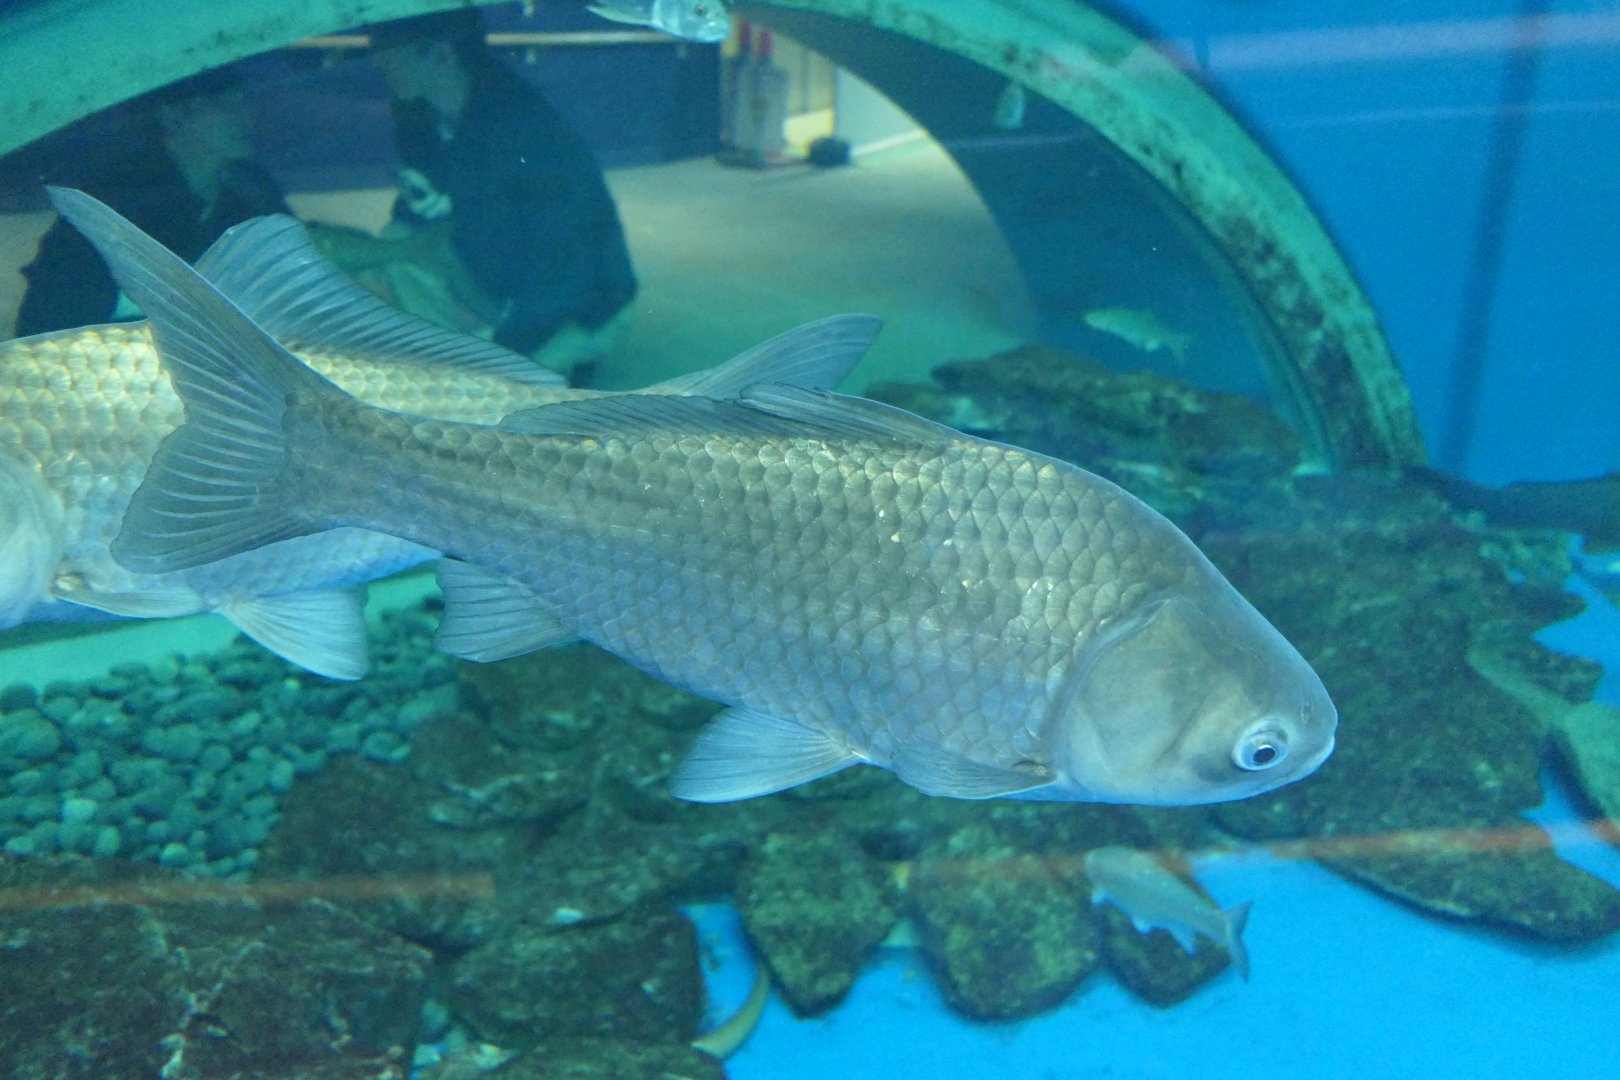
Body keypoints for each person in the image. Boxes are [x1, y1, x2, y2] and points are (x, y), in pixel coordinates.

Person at [362, 8, 638, 376]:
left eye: (391, 50)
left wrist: (507, 349)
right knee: (392, 248)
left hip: (578, 303)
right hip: (496, 276)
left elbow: (565, 263)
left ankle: (557, 356)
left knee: (493, 391)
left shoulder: (525, 132)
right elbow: (418, 208)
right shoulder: (417, 113)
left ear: (443, 54)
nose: (378, 60)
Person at [16, 68, 290, 336]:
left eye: (242, 102)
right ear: (172, 116)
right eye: (223, 105)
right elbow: (51, 322)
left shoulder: (252, 189)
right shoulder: (118, 201)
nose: (244, 116)